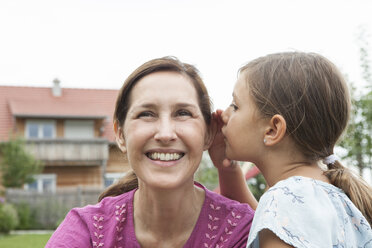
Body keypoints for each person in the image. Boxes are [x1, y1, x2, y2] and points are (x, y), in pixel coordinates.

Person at [45, 56, 255, 248]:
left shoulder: (241, 232)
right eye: (146, 114)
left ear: (209, 133)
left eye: (183, 113)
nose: (165, 134)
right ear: (120, 135)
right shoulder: (87, 231)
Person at [209, 52, 372, 247]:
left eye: (235, 106)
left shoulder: (285, 199)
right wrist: (228, 169)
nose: (224, 115)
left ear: (272, 130)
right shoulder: (323, 194)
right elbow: (265, 220)